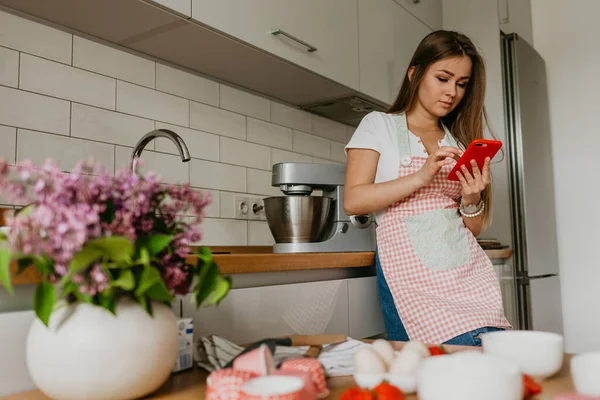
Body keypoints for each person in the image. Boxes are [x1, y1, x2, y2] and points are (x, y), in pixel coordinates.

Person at [344, 30, 511, 347]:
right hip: (413, 282)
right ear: (415, 74)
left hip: (470, 276)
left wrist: (472, 196)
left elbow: (470, 228)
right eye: (443, 78)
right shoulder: (378, 125)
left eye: (462, 84)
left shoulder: (458, 141)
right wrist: (421, 176)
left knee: (487, 359)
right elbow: (353, 201)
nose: (452, 92)